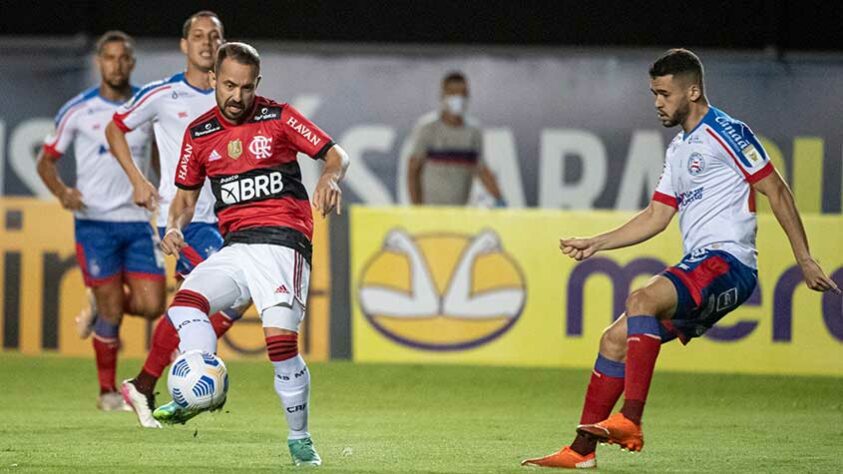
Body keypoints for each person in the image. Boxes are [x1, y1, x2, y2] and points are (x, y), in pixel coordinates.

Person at [522, 48, 840, 469]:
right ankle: (581, 452)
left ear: (692, 90)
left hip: (728, 262)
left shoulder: (727, 130)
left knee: (640, 301)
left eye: (664, 94)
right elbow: (657, 216)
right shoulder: (679, 149)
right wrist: (597, 242)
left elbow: (776, 190)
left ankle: (630, 421)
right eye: (653, 94)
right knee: (613, 340)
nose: (657, 102)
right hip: (708, 265)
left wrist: (805, 258)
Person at [157, 42, 348, 467]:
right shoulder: (200, 134)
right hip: (237, 247)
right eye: (228, 85)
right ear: (212, 80)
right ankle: (200, 388)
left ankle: (300, 439)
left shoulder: (279, 118)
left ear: (256, 84)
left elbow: (335, 154)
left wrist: (331, 177)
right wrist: (173, 226)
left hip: (283, 242)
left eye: (245, 87)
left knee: (280, 345)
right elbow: (185, 199)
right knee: (186, 304)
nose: (237, 96)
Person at [105, 11, 247, 428]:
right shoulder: (163, 94)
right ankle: (173, 380)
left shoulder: (234, 96)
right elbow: (117, 128)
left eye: (215, 36)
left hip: (231, 217)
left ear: (224, 44)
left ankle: (146, 384)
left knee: (219, 302)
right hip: (185, 219)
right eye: (198, 36)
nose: (206, 43)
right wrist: (137, 178)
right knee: (212, 297)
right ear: (184, 45)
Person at [36, 31, 166, 411]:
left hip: (138, 220)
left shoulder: (145, 104)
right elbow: (46, 160)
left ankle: (98, 302)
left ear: (133, 63)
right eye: (109, 57)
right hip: (94, 222)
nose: (117, 64)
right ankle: (108, 392)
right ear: (99, 62)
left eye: (124, 58)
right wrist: (62, 192)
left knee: (152, 304)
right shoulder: (77, 110)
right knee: (113, 311)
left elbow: (159, 154)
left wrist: (168, 192)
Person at [407, 71, 504, 206]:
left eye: (463, 93)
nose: (458, 98)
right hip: (430, 211)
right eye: (453, 93)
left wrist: (500, 199)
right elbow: (413, 171)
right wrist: (416, 208)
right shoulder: (427, 128)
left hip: (460, 213)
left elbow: (481, 169)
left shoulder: (473, 131)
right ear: (443, 95)